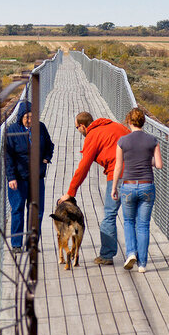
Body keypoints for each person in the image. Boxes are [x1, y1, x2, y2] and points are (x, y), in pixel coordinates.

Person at [59, 111, 130, 265]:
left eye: (77, 127)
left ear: (83, 126)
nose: (78, 131)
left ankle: (106, 255)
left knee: (109, 216)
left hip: (117, 176)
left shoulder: (93, 135)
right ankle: (135, 254)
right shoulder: (116, 126)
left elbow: (83, 167)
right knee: (133, 219)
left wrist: (70, 193)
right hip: (138, 174)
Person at [111, 107, 162, 273]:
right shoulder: (153, 140)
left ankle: (131, 253)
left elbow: (118, 166)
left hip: (128, 185)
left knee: (128, 221)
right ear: (143, 122)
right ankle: (142, 264)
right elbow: (159, 165)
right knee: (143, 225)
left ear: (129, 121)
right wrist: (149, 161)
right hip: (147, 185)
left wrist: (114, 188)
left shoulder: (123, 141)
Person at [4, 100, 54, 251]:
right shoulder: (12, 131)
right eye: (26, 117)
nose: (29, 120)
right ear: (20, 117)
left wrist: (46, 158)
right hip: (19, 179)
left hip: (36, 178)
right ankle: (16, 244)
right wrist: (11, 177)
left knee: (36, 211)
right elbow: (8, 156)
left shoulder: (41, 127)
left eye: (32, 116)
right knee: (17, 210)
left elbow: (49, 145)